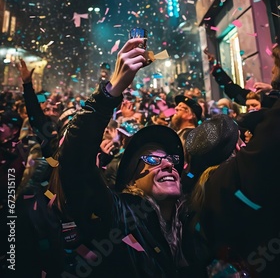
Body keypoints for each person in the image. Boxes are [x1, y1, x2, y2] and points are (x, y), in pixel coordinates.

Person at [57, 38, 190, 277]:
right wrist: (112, 91)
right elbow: (75, 161)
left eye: (170, 158)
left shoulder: (192, 220)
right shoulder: (119, 215)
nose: (168, 163)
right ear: (131, 180)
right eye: (151, 159)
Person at [185, 96, 280, 277]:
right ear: (236, 149)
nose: (246, 144)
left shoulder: (202, 190)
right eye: (241, 141)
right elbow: (270, 143)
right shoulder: (228, 180)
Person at [204, 45, 280, 108]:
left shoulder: (274, 101)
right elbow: (238, 94)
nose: (272, 70)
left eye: (276, 65)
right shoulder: (273, 98)